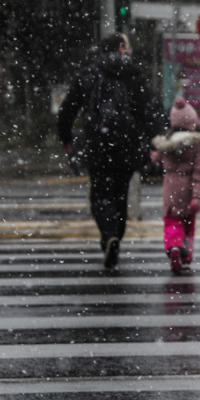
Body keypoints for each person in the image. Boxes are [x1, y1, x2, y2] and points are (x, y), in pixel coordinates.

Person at [57, 33, 160, 270]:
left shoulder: (90, 73)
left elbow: (68, 108)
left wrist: (66, 136)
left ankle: (108, 235)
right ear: (122, 48)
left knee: (100, 195)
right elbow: (149, 109)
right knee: (120, 194)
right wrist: (154, 140)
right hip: (127, 144)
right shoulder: (133, 74)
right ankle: (116, 237)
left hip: (98, 143)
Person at [150, 97, 200, 274]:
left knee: (172, 222)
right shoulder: (197, 145)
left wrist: (154, 155)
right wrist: (197, 196)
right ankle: (186, 256)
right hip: (189, 188)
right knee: (189, 224)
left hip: (171, 187)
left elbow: (157, 160)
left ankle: (174, 247)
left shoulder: (166, 143)